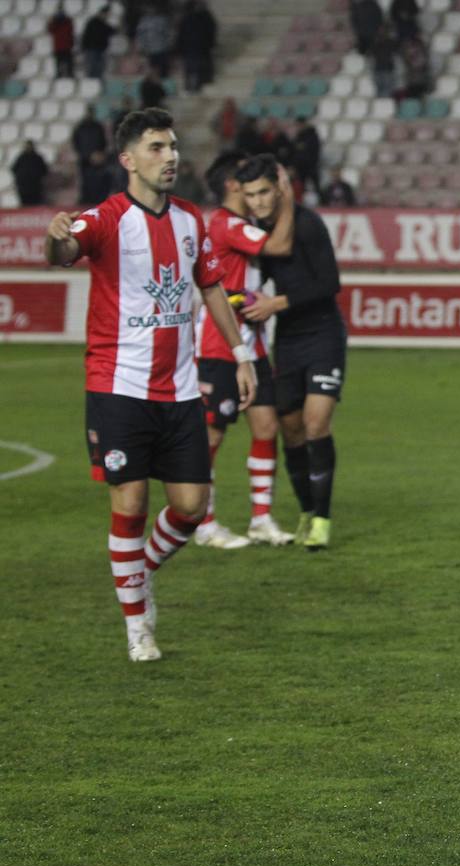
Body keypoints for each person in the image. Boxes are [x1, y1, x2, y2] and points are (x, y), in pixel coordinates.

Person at [42, 106, 257, 662]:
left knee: (190, 506)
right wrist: (57, 238)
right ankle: (139, 628)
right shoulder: (107, 218)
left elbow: (211, 287)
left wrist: (240, 353)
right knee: (131, 502)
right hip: (118, 386)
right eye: (157, 148)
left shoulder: (190, 219)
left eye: (173, 147)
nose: (171, 157)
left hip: (181, 389)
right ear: (128, 159)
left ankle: (136, 577)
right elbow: (65, 252)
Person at [236, 154, 347, 551]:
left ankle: (322, 518)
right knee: (292, 430)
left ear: (278, 188)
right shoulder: (256, 232)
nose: (259, 202)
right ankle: (305, 510)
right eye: (251, 195)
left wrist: (276, 304)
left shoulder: (307, 223)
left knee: (317, 423)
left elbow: (330, 283)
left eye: (264, 192)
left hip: (323, 335)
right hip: (289, 341)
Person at [192, 152, 297, 549]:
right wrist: (286, 196)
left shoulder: (244, 223)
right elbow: (280, 245)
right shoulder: (225, 224)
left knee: (266, 427)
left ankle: (261, 519)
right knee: (212, 435)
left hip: (252, 346)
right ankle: (204, 522)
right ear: (233, 185)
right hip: (219, 345)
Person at [176, 0, 217, 93]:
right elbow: (181, 34)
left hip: (200, 48)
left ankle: (196, 86)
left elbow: (211, 31)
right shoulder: (186, 18)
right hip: (192, 48)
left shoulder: (205, 17)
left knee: (197, 68)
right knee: (191, 68)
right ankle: (190, 86)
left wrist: (210, 44)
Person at [135, 3, 173, 78]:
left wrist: (168, 44)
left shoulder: (162, 20)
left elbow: (168, 33)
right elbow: (140, 35)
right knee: (152, 68)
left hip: (161, 48)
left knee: (162, 69)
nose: (151, 11)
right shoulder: (144, 21)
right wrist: (141, 46)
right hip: (150, 49)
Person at [80, 5, 116, 80]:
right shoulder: (93, 22)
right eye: (106, 14)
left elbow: (111, 31)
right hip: (91, 49)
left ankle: (97, 81)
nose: (107, 16)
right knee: (92, 68)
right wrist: (84, 47)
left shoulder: (103, 24)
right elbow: (86, 36)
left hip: (101, 49)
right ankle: (91, 82)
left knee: (100, 68)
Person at [11, 141, 48, 206]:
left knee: (35, 204)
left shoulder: (38, 158)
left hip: (35, 187)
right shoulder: (21, 157)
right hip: (23, 187)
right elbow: (14, 169)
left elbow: (44, 170)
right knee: (24, 204)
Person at [48, 6, 77, 79]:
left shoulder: (67, 22)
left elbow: (70, 31)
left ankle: (68, 74)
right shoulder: (59, 22)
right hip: (62, 46)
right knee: (61, 62)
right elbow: (50, 30)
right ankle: (62, 74)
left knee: (66, 62)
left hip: (64, 46)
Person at [371, 25, 398, 98]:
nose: (381, 32)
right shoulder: (375, 42)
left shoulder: (390, 42)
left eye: (383, 30)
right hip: (378, 70)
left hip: (388, 70)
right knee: (379, 93)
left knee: (387, 93)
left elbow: (395, 50)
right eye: (380, 30)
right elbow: (372, 53)